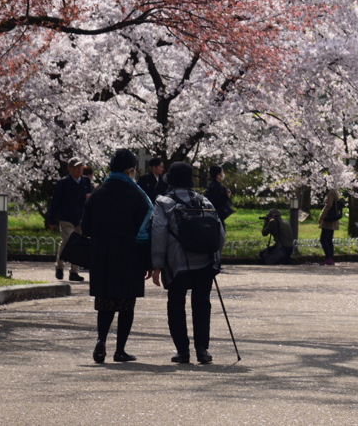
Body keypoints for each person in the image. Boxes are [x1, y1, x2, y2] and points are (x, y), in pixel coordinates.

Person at [80, 149, 154, 363]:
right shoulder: (139, 197)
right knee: (126, 305)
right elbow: (145, 232)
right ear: (130, 170)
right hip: (129, 258)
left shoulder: (97, 194)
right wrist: (148, 263)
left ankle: (101, 339)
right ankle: (120, 350)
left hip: (102, 257)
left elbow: (86, 228)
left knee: (105, 303)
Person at [151, 162, 225, 364]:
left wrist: (157, 265)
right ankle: (202, 350)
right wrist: (215, 258)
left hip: (178, 263)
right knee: (201, 303)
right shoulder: (205, 201)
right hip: (204, 262)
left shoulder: (164, 203)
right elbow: (220, 233)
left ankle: (182, 350)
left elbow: (158, 235)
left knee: (176, 304)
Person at [46, 157, 91, 282]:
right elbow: (55, 202)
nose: (79, 169)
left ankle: (74, 272)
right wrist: (51, 221)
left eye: (81, 166)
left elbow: (92, 196)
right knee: (67, 242)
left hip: (81, 218)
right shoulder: (64, 182)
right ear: (69, 169)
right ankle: (60, 266)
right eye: (76, 167)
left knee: (78, 245)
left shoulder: (86, 181)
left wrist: (89, 196)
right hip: (67, 218)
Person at [318, 188, 340, 266]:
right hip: (333, 219)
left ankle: (329, 258)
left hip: (329, 220)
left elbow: (328, 205)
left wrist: (321, 217)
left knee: (323, 239)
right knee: (328, 239)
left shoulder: (330, 193)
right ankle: (330, 258)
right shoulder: (335, 191)